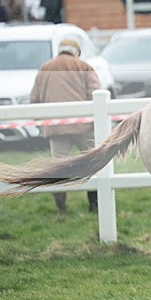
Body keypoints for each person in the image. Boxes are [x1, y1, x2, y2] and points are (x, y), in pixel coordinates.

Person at [30, 38, 101, 214]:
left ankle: (61, 208)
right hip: (82, 126)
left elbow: (34, 99)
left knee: (58, 168)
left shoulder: (45, 68)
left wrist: (39, 121)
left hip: (55, 126)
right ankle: (94, 205)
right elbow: (96, 95)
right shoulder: (84, 66)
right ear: (76, 52)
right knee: (91, 164)